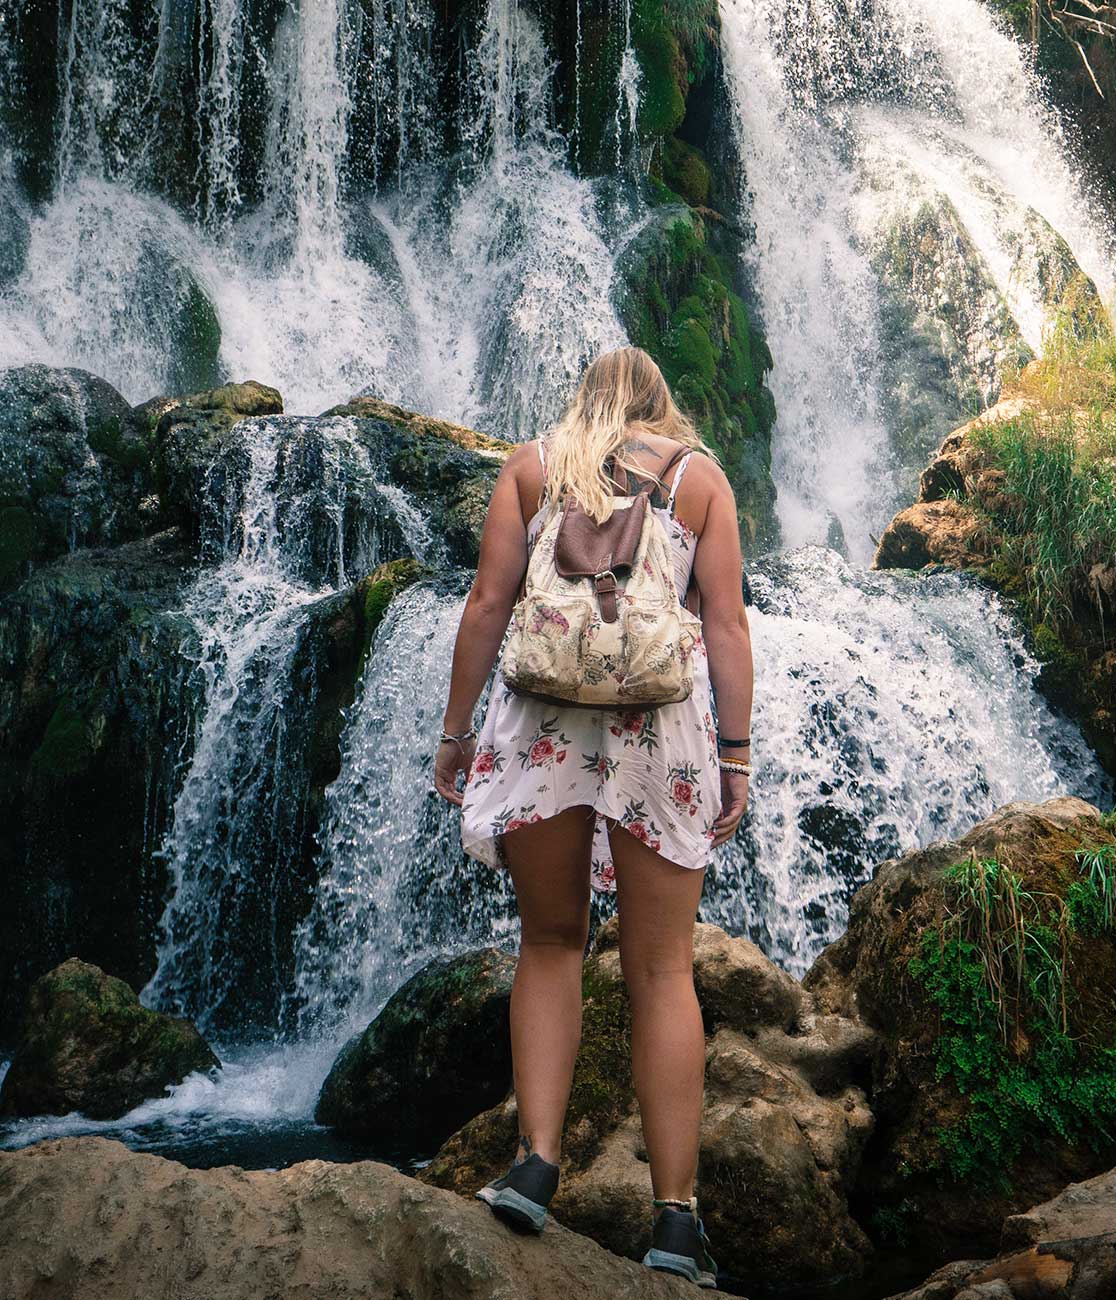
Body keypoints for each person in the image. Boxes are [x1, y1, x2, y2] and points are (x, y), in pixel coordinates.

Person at [432, 347, 753, 1286]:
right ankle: (676, 1222)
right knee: (662, 969)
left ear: (584, 398)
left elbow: (488, 603)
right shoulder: (697, 481)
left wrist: (456, 734)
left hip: (544, 719)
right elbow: (726, 624)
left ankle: (535, 1165)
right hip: (658, 727)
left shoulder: (533, 469)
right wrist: (736, 754)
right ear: (660, 405)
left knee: (549, 942)